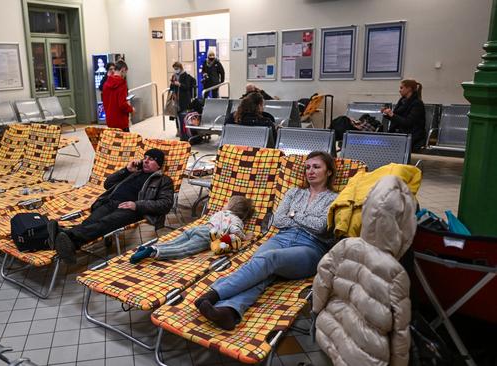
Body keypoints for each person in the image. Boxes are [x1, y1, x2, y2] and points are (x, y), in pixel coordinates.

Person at [193, 151, 338, 330]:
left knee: (269, 259)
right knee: (259, 267)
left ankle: (213, 294)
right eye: (307, 167)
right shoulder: (294, 193)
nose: (310, 171)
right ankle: (229, 312)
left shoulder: (335, 198)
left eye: (316, 167)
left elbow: (320, 227)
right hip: (282, 237)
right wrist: (298, 218)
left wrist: (293, 214)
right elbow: (278, 220)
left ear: (329, 172)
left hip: (310, 247)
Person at [312, 175, 415, 366]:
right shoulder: (396, 273)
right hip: (367, 358)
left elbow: (321, 282)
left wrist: (317, 311)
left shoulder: (345, 246)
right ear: (404, 226)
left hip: (329, 332)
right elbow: (400, 331)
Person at [48, 148, 174, 264]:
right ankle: (65, 238)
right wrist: (126, 170)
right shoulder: (134, 172)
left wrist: (137, 205)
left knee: (106, 222)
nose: (145, 161)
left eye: (151, 159)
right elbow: (108, 184)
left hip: (131, 209)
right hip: (109, 202)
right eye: (145, 157)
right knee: (90, 222)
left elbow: (166, 204)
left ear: (159, 165)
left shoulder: (164, 180)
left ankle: (65, 237)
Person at [129, 195, 254, 264]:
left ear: (231, 206)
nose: (224, 205)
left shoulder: (220, 213)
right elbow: (235, 230)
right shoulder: (237, 220)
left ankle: (149, 248)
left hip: (198, 228)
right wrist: (244, 236)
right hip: (207, 235)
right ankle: (153, 251)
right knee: (183, 250)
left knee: (174, 242)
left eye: (227, 203)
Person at [382, 79, 426, 150]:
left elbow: (408, 123)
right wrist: (386, 113)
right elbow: (397, 118)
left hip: (411, 136)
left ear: (409, 89)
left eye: (401, 88)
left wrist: (392, 115)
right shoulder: (402, 101)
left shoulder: (417, 104)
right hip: (400, 134)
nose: (399, 90)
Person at [102, 60, 135, 132]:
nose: (125, 75)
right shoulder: (122, 83)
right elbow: (122, 104)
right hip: (121, 122)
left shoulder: (106, 83)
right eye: (125, 72)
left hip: (110, 121)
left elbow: (105, 102)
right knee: (126, 143)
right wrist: (131, 109)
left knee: (115, 143)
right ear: (122, 70)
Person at [170, 62, 197, 140]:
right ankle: (178, 130)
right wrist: (172, 83)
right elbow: (171, 87)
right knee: (176, 115)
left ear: (180, 68)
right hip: (176, 99)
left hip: (184, 99)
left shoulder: (185, 76)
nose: (175, 70)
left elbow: (187, 87)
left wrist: (179, 84)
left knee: (183, 115)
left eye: (176, 68)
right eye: (174, 69)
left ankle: (184, 131)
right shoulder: (174, 76)